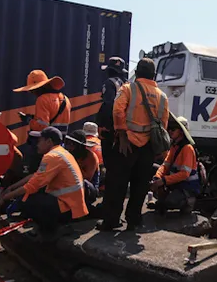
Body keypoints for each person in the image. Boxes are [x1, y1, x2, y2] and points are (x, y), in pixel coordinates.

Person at [97, 58, 169, 231]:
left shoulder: (128, 88)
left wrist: (121, 133)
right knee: (140, 185)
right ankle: (134, 221)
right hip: (148, 147)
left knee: (117, 183)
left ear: (136, 73)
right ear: (154, 75)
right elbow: (163, 123)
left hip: (126, 144)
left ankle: (112, 220)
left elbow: (117, 109)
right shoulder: (162, 96)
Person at [0, 127, 88, 234]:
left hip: (67, 207)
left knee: (27, 201)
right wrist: (11, 188)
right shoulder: (60, 152)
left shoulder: (52, 157)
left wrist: (6, 197)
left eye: (40, 141)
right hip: (72, 205)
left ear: (49, 141)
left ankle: (50, 231)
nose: (37, 144)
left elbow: (32, 186)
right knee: (29, 197)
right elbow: (35, 176)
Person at [150, 115, 200, 214]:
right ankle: (162, 200)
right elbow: (165, 165)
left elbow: (184, 174)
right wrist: (157, 178)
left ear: (181, 132)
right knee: (151, 168)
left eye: (173, 129)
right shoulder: (174, 146)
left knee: (170, 202)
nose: (170, 131)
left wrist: (163, 181)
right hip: (176, 184)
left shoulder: (187, 148)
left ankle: (188, 202)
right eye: (169, 128)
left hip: (187, 187)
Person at [95, 57, 126, 198]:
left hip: (110, 132)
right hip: (122, 132)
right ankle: (116, 196)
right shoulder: (126, 85)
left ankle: (109, 198)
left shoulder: (109, 83)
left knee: (110, 166)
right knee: (120, 167)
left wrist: (105, 127)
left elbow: (109, 105)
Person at [13, 70, 71, 136]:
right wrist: (33, 117)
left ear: (38, 88)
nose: (32, 93)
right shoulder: (65, 99)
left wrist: (28, 119)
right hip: (61, 141)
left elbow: (41, 126)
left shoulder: (42, 99)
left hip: (47, 143)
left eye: (32, 90)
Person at [64, 130, 99, 208]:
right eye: (68, 143)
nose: (69, 146)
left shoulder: (90, 157)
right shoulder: (68, 154)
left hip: (89, 188)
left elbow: (87, 178)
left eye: (72, 144)